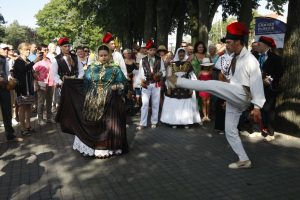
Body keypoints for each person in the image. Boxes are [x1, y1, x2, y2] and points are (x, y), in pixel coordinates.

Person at [167, 22, 265, 169]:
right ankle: (244, 159)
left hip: (243, 94)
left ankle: (176, 80)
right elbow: (231, 80)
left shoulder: (251, 60)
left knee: (211, 85)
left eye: (229, 42)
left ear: (238, 42)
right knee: (230, 130)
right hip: (234, 95)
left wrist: (257, 107)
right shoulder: (233, 58)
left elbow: (257, 84)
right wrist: (227, 98)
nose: (227, 45)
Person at [56, 44, 128, 158]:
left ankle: (108, 147)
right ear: (98, 56)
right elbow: (85, 82)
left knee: (107, 124)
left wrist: (117, 86)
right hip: (92, 100)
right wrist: (70, 82)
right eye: (101, 55)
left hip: (109, 101)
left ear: (109, 55)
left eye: (105, 55)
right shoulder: (92, 67)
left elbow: (123, 82)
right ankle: (91, 147)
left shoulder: (115, 68)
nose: (103, 57)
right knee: (91, 122)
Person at [161, 48, 201, 128]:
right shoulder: (171, 64)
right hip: (174, 87)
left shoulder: (188, 64)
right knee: (175, 104)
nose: (181, 54)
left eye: (183, 53)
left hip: (185, 87)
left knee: (185, 103)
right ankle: (173, 122)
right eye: (180, 53)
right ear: (177, 54)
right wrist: (169, 88)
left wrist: (191, 88)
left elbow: (192, 76)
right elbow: (168, 76)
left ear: (185, 54)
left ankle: (186, 122)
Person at [256, 36, 283, 141]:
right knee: (256, 108)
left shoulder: (276, 58)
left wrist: (270, 80)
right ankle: (258, 129)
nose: (257, 45)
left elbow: (279, 72)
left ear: (266, 45)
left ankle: (270, 133)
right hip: (255, 87)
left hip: (268, 89)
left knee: (268, 110)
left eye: (259, 44)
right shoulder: (254, 56)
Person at [12, 43, 41, 136]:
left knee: (28, 107)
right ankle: (22, 128)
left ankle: (28, 126)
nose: (28, 51)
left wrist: (34, 73)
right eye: (26, 49)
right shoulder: (18, 61)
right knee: (22, 108)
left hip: (29, 87)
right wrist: (34, 62)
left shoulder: (27, 60)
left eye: (28, 49)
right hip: (22, 88)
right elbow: (22, 71)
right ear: (20, 50)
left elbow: (29, 71)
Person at [136, 39, 166, 130]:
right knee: (144, 104)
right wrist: (141, 82)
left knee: (155, 103)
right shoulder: (143, 60)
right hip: (146, 84)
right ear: (147, 50)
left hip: (156, 84)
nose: (152, 51)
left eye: (154, 50)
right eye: (150, 50)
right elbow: (140, 72)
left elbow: (163, 71)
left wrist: (160, 75)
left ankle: (154, 122)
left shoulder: (159, 59)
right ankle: (143, 123)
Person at [0, 44, 23, 142]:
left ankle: (10, 136)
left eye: (7, 49)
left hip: (4, 88)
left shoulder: (5, 59)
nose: (6, 50)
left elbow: (7, 74)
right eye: (4, 49)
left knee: (7, 112)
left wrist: (11, 79)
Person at [33, 44, 55, 125]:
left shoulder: (49, 60)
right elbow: (33, 72)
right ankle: (40, 118)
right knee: (41, 102)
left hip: (50, 83)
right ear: (39, 51)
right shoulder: (37, 60)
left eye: (46, 50)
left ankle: (49, 117)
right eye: (43, 50)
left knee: (49, 101)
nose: (45, 52)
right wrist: (36, 83)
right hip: (41, 83)